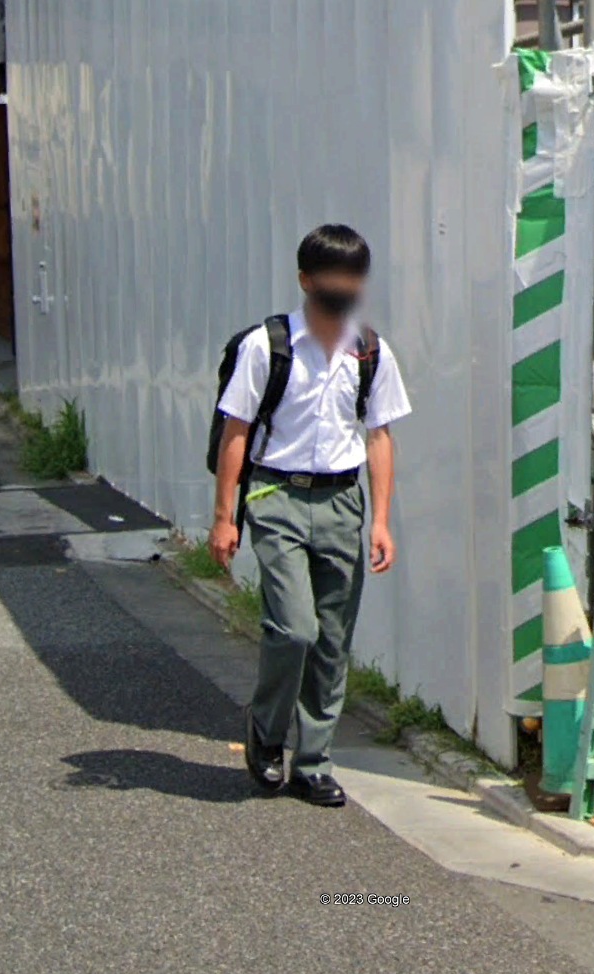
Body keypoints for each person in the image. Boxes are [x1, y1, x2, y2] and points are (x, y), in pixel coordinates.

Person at [210, 224, 411, 807]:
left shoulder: (370, 350)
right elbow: (237, 430)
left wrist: (380, 520)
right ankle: (268, 735)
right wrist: (225, 518)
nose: (342, 288)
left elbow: (379, 436)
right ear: (306, 280)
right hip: (276, 497)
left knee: (332, 640)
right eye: (331, 277)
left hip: (343, 502)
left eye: (353, 278)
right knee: (294, 628)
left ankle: (314, 761)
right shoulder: (268, 346)